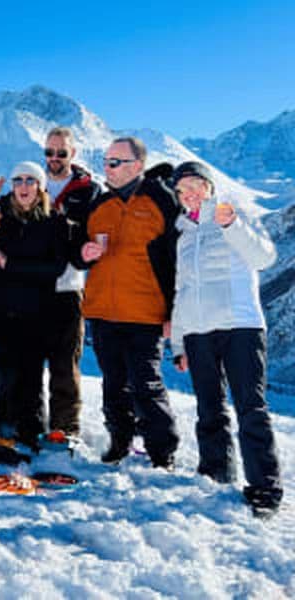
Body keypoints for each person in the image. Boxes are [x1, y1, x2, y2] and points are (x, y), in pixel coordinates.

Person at [170, 161, 282, 515]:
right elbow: (181, 292)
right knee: (209, 408)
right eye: (182, 189)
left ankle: (264, 487)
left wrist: (232, 225)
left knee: (251, 407)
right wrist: (178, 343)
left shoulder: (234, 215)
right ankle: (216, 473)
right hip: (199, 332)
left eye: (195, 185)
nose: (189, 193)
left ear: (209, 187)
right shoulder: (183, 234)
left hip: (241, 327)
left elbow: (264, 258)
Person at [0, 127, 100, 436]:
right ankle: (27, 423)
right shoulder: (28, 180)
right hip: (32, 292)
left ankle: (65, 428)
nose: (55, 157)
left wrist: (86, 254)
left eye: (62, 152)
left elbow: (91, 234)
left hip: (68, 285)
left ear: (73, 154)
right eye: (50, 151)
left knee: (64, 365)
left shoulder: (87, 190)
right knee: (28, 363)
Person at [75, 136, 179, 468]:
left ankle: (162, 452)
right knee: (113, 383)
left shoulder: (161, 200)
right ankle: (119, 442)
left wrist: (174, 311)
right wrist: (83, 253)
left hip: (146, 312)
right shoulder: (100, 205)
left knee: (145, 383)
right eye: (106, 161)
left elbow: (177, 260)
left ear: (138, 166)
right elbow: (77, 250)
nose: (108, 167)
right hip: (104, 311)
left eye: (115, 162)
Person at [0, 161, 68, 447]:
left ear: (40, 187)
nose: (24, 186)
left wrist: (11, 264)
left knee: (30, 376)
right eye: (18, 181)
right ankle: (1, 431)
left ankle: (30, 433)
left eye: (30, 180)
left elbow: (56, 267)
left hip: (36, 312)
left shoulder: (54, 220)